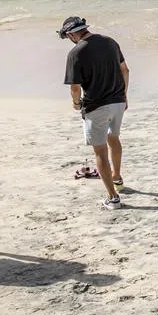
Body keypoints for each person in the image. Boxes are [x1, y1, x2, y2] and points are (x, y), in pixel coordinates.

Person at [59, 16, 129, 210]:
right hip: (118, 102)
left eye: (67, 36)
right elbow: (125, 70)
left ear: (72, 34)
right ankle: (117, 177)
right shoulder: (110, 42)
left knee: (100, 151)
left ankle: (113, 198)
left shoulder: (75, 53)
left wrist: (75, 103)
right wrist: (124, 96)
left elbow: (75, 87)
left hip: (96, 106)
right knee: (113, 138)